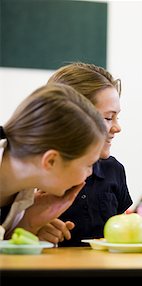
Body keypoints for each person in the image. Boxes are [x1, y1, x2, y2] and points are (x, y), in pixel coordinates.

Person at [36, 62, 133, 246]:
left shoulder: (113, 169)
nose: (117, 127)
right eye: (107, 117)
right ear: (72, 118)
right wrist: (30, 233)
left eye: (116, 117)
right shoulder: (31, 176)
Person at [0, 83, 106, 240]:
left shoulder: (23, 194)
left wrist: (29, 224)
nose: (90, 173)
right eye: (88, 165)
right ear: (50, 161)